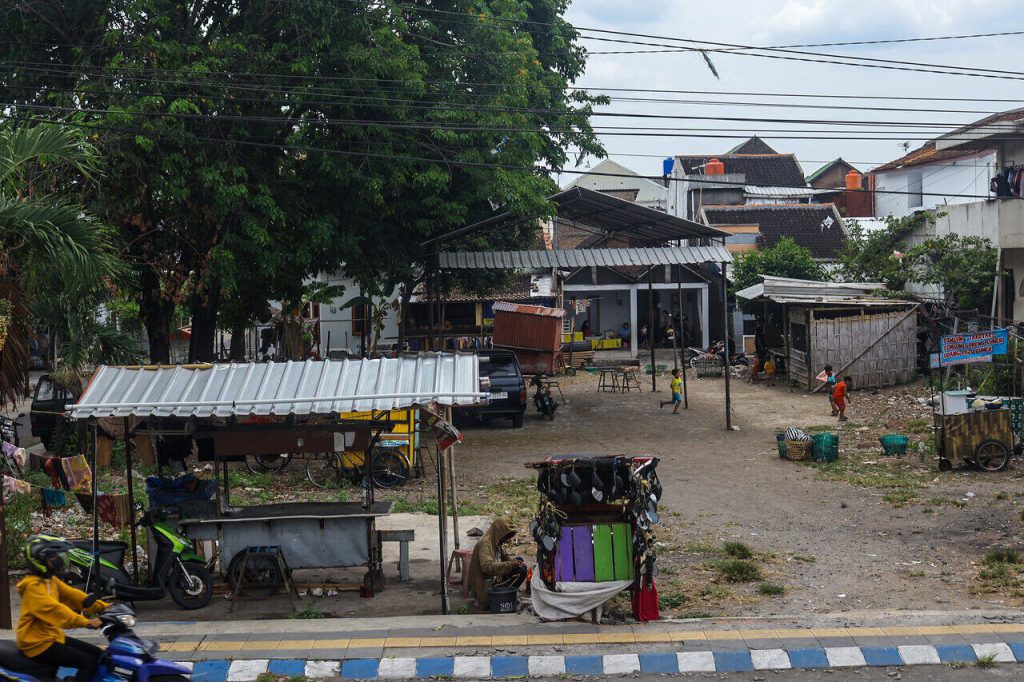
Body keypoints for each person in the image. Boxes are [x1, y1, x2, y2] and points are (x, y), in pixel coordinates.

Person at [17, 534, 109, 682]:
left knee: (98, 654)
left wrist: (107, 607)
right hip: (36, 643)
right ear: (38, 560)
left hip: (51, 636)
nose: (58, 560)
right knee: (88, 662)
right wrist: (86, 622)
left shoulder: (50, 580)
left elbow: (74, 596)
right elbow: (55, 610)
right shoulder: (32, 587)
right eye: (52, 557)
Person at [468, 517, 528, 610]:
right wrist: (511, 564)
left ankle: (506, 594)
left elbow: (505, 558)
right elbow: (487, 567)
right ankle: (500, 598)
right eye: (505, 536)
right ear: (499, 533)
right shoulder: (485, 544)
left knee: (520, 564)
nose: (506, 540)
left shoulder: (496, 542)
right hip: (486, 585)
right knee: (520, 571)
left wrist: (515, 562)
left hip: (494, 578)